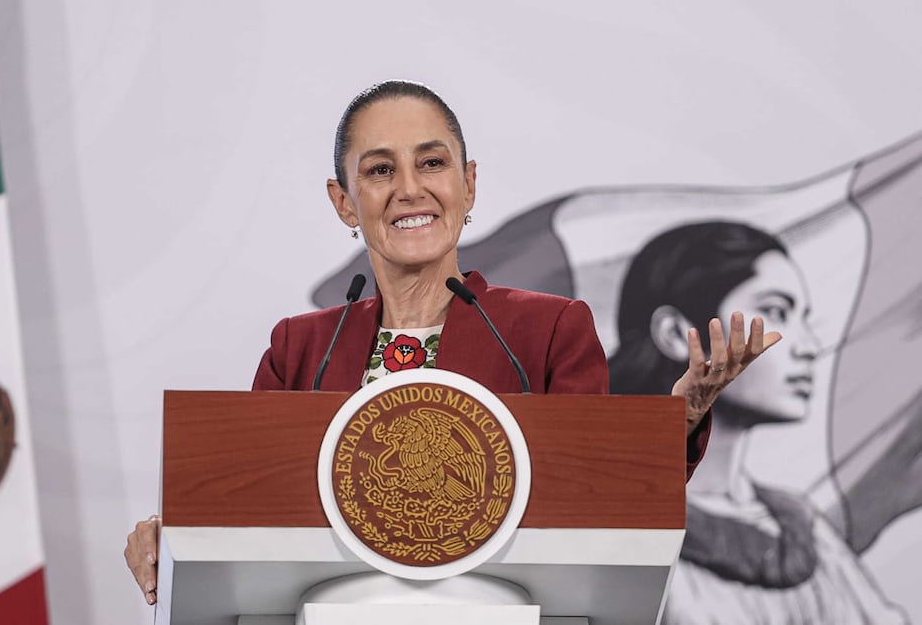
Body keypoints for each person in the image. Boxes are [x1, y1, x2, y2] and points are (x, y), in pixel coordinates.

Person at [124, 81, 780, 606]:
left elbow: (596, 496)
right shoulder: (300, 349)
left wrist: (680, 417)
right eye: (380, 170)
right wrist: (173, 536)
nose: (409, 188)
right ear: (344, 202)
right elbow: (247, 505)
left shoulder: (546, 332)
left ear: (468, 184)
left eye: (431, 163)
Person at [608, 221, 906, 624]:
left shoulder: (805, 531)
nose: (809, 347)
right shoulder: (613, 531)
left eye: (802, 318)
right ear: (677, 334)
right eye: (775, 311)